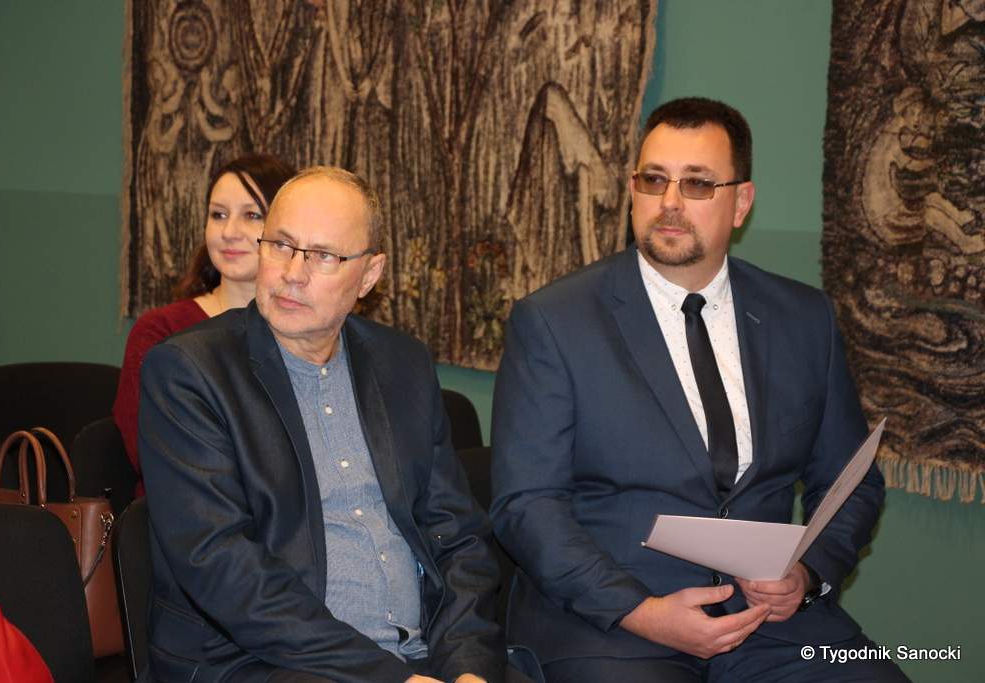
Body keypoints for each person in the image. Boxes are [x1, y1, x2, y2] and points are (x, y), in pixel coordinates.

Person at [490, 97, 909, 682]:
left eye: (697, 184)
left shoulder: (804, 318)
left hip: (773, 625)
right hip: (611, 623)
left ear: (742, 203)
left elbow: (851, 481)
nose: (669, 202)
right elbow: (526, 504)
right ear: (632, 189)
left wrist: (806, 573)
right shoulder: (555, 321)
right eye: (653, 180)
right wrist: (640, 611)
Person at [138, 167, 535, 682]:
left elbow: (458, 538)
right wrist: (391, 678)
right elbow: (222, 567)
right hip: (258, 661)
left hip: (421, 656)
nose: (292, 273)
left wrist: (468, 668)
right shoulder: (190, 372)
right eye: (281, 245)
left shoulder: (402, 365)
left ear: (369, 275)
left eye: (324, 256)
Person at [113, 154, 294, 495]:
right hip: (187, 511)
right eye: (218, 214)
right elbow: (154, 452)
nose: (229, 232)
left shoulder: (306, 334)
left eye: (252, 215)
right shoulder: (161, 332)